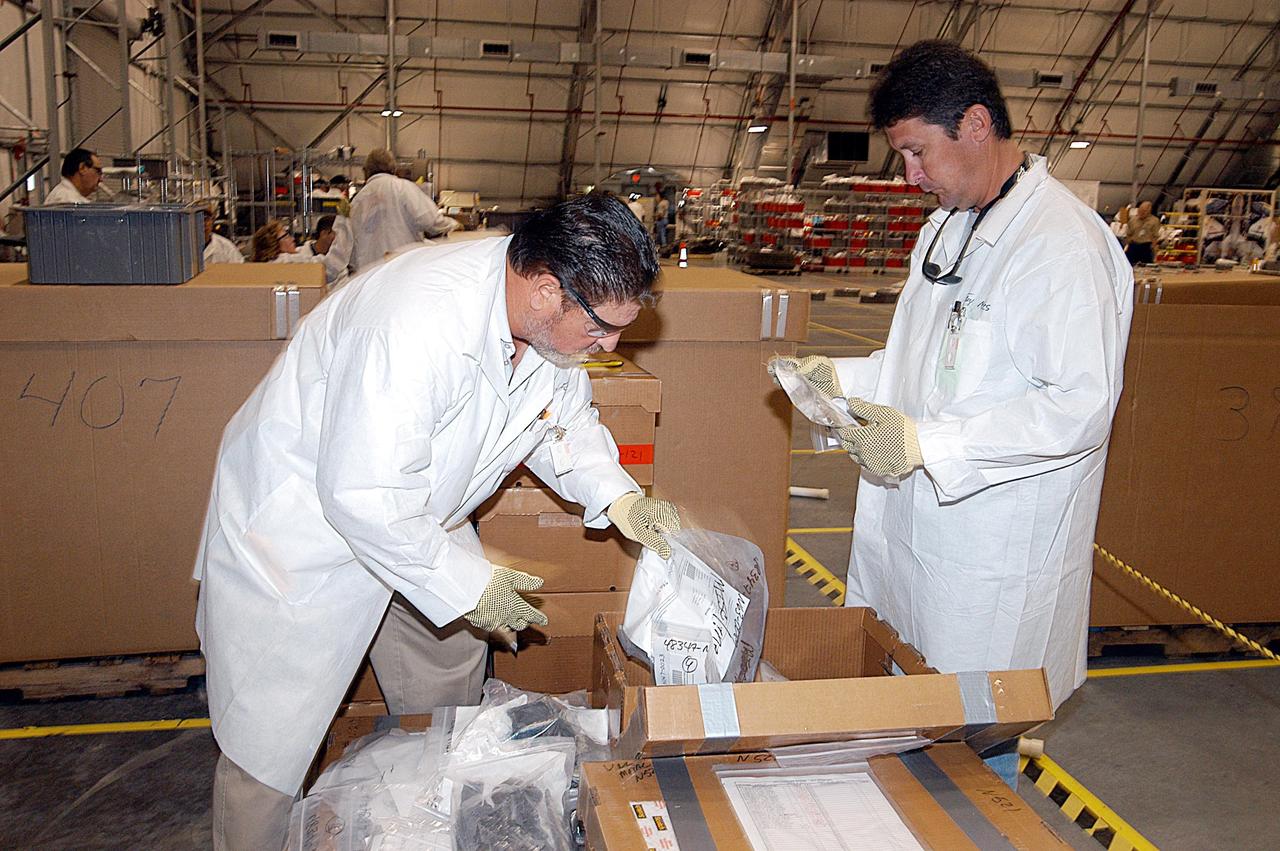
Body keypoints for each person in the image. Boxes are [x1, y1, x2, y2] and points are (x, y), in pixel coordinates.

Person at [195, 194, 682, 849]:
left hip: (420, 511)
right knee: (269, 745)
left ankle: (413, 820)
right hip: (305, 533)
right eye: (600, 326)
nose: (611, 344)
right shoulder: (415, 320)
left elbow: (564, 424)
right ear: (544, 290)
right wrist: (468, 584)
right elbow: (363, 494)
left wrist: (620, 497)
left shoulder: (544, 327)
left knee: (449, 678)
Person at [771, 40, 1132, 779]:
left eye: (917, 153)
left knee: (970, 759)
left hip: (988, 562)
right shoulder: (949, 229)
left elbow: (1079, 406)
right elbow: (920, 369)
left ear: (973, 125)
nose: (910, 177)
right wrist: (835, 379)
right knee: (913, 736)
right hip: (917, 548)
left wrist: (929, 443)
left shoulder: (1061, 247)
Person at [347, 148, 458, 273]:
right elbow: (431, 221)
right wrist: (454, 224)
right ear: (393, 169)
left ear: (366, 171)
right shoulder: (403, 188)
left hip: (368, 274)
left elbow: (349, 247)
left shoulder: (357, 201)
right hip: (402, 268)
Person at [1123, 200, 1161, 266]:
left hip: (1146, 246)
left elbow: (1155, 236)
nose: (1141, 212)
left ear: (1149, 211)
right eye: (1140, 210)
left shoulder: (1154, 221)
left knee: (1147, 266)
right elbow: (1128, 234)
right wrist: (1127, 245)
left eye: (1144, 211)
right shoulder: (1133, 220)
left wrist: (1155, 252)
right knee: (1128, 265)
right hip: (1134, 245)